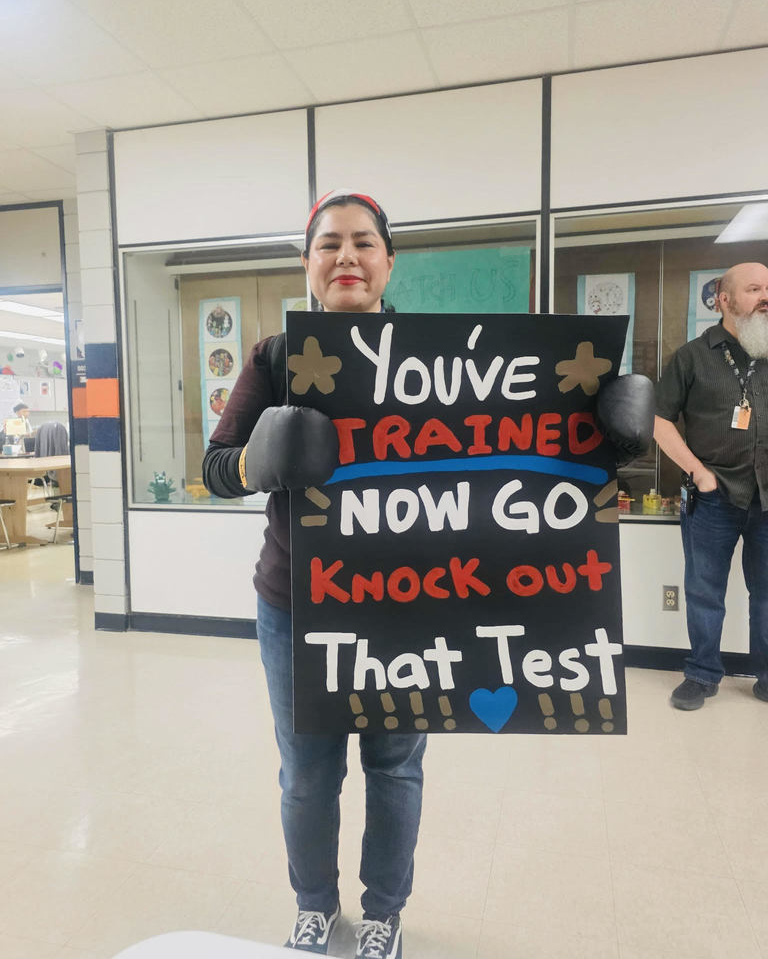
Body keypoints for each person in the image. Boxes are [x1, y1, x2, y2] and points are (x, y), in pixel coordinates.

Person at [203, 189, 655, 957]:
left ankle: (384, 910)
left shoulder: (450, 355)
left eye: (363, 243)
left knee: (394, 767)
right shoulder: (276, 357)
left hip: (414, 606)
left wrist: (612, 433)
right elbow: (216, 467)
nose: (346, 256)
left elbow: (546, 459)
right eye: (328, 244)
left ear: (388, 261)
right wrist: (256, 459)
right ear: (307, 262)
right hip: (298, 604)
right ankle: (315, 905)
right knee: (307, 773)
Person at [654, 261, 768, 711]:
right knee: (704, 591)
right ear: (724, 299)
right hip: (713, 497)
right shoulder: (691, 357)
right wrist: (698, 473)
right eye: (754, 288)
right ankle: (702, 674)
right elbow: (660, 423)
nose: (765, 296)